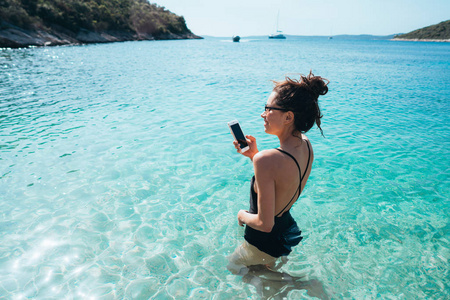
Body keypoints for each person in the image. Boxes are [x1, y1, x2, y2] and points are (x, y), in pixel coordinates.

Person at [228, 71, 329, 274]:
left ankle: (301, 284)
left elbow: (264, 224)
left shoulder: (266, 160)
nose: (263, 114)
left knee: (233, 267)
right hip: (288, 229)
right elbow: (282, 182)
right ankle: (296, 284)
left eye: (268, 109)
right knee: (263, 279)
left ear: (288, 117)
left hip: (263, 240)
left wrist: (241, 215)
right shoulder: (306, 145)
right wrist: (254, 155)